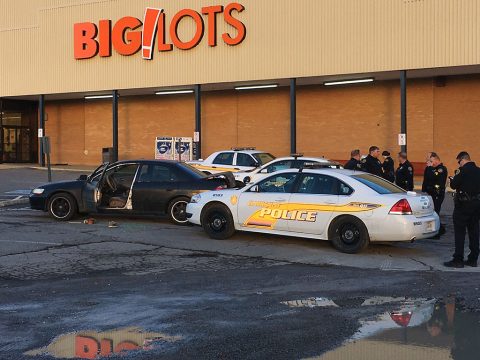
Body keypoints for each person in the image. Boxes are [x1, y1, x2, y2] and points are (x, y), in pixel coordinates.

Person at [444, 152, 480, 268]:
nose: (459, 164)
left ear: (462, 160)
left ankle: (458, 259)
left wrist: (452, 179)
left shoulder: (462, 171)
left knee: (460, 232)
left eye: (459, 162)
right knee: (474, 232)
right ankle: (473, 259)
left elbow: (454, 185)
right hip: (477, 205)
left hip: (463, 205)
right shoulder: (479, 170)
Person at [422, 152, 448, 236]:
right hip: (431, 193)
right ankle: (434, 229)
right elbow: (426, 179)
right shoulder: (432, 169)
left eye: (431, 160)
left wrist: (429, 168)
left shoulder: (441, 169)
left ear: (436, 160)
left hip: (437, 194)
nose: (430, 162)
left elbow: (433, 178)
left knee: (435, 212)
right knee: (431, 212)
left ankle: (439, 231)